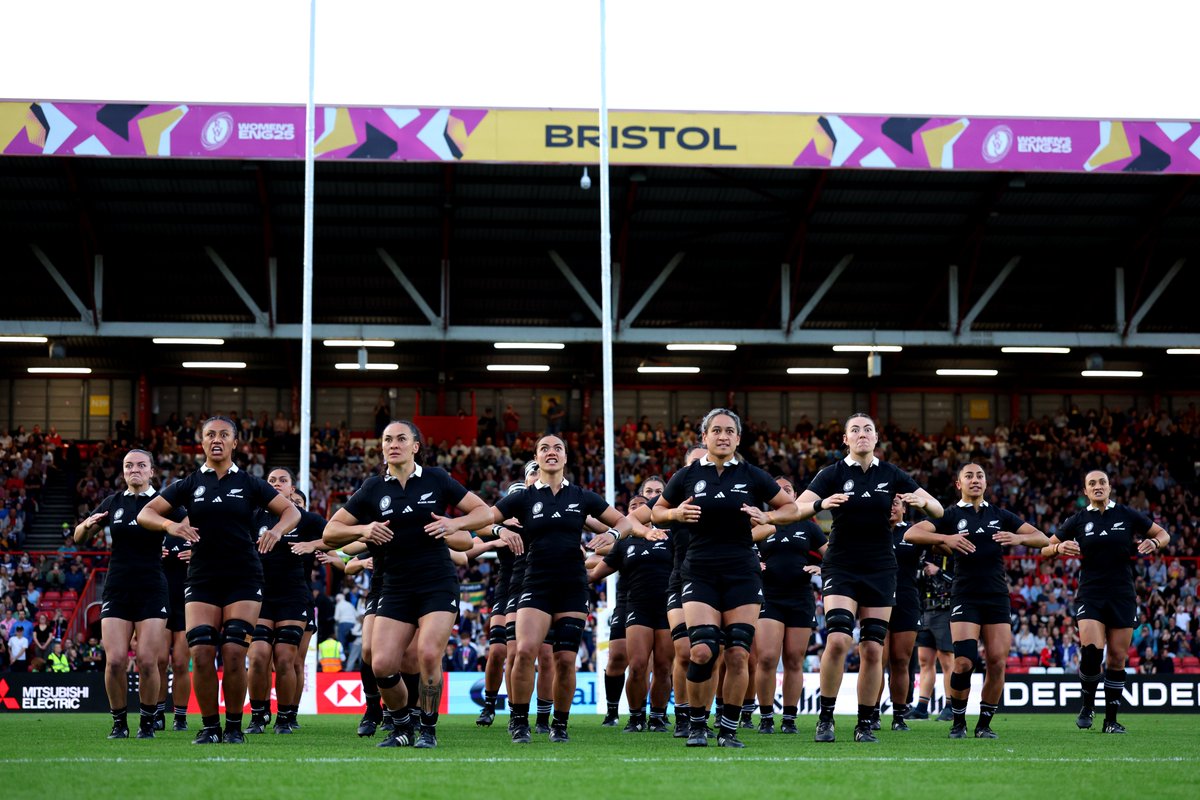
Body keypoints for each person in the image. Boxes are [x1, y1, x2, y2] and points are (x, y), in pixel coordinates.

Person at [324, 420, 493, 749]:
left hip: (437, 582)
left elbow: (485, 513)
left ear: (416, 446)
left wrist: (453, 523)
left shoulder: (437, 479)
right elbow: (330, 533)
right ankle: (402, 725)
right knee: (382, 663)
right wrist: (363, 530)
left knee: (428, 654)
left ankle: (427, 728)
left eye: (401, 438)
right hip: (395, 585)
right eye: (387, 439)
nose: (393, 444)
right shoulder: (373, 488)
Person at [139, 416, 301, 745]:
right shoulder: (189, 484)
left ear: (234, 443)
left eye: (224, 435)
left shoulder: (250, 483)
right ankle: (210, 726)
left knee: (232, 652)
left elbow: (292, 512)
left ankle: (234, 726)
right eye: (210, 434)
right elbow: (146, 514)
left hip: (244, 575)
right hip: (202, 577)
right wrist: (172, 527)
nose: (217, 439)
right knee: (200, 652)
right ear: (201, 442)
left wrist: (276, 530)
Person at [651, 408, 802, 748]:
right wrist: (674, 513)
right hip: (699, 571)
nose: (722, 436)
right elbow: (655, 513)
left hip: (742, 573)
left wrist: (769, 516)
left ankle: (729, 730)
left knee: (737, 654)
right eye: (715, 430)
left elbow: (792, 509)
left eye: (729, 431)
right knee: (702, 651)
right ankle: (697, 724)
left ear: (738, 438)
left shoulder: (752, 475)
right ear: (704, 437)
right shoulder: (687, 475)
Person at [798, 412, 943, 744]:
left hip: (880, 567)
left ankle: (865, 723)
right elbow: (797, 508)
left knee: (873, 649)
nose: (862, 434)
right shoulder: (831, 473)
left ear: (876, 439)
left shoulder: (892, 474)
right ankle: (826, 718)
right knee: (837, 640)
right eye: (855, 430)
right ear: (845, 440)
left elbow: (937, 509)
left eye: (868, 429)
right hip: (841, 565)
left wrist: (923, 503)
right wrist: (821, 502)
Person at [490, 434, 632, 744]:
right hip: (535, 583)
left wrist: (612, 535)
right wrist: (498, 528)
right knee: (526, 651)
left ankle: (560, 724)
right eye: (544, 448)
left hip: (572, 585)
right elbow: (484, 518)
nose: (551, 453)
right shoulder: (523, 498)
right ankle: (519, 722)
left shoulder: (582, 496)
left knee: (566, 659)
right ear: (536, 457)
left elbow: (625, 523)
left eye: (557, 448)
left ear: (565, 458)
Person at [904, 462, 1048, 739]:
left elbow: (1041, 538)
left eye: (980, 475)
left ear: (986, 482)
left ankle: (984, 724)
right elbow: (912, 533)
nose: (975, 480)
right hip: (965, 596)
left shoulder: (999, 514)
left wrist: (1016, 537)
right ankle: (958, 722)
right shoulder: (950, 514)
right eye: (968, 476)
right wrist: (947, 537)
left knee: (997, 661)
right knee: (964, 662)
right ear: (959, 484)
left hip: (996, 596)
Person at [1044, 469, 1169, 734]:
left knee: (1116, 659)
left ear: (1110, 487)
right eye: (1092, 484)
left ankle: (1111, 720)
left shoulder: (1126, 514)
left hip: (1122, 593)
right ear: (1085, 491)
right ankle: (1087, 705)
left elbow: (1164, 534)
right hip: (1090, 593)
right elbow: (1044, 548)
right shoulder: (1078, 520)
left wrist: (1154, 543)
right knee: (1091, 651)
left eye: (1102, 482)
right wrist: (1057, 548)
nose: (1098, 486)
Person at [74, 449, 183, 739]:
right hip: (117, 588)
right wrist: (87, 525)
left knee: (148, 660)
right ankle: (119, 722)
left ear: (151, 471)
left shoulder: (163, 504)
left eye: (141, 465)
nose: (135, 469)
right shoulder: (113, 503)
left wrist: (189, 548)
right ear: (123, 471)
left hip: (152, 589)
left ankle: (147, 722)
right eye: (129, 465)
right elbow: (78, 537)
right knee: (116, 660)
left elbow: (194, 530)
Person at [246, 467, 328, 734]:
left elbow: (337, 538)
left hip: (294, 595)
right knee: (258, 657)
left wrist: (313, 545)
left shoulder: (308, 520)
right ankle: (258, 716)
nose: (277, 484)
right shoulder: (252, 516)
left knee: (285, 658)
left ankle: (285, 717)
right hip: (259, 595)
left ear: (292, 489)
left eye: (283, 480)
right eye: (271, 480)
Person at [589, 489, 673, 732]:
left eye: (642, 505)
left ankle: (657, 716)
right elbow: (599, 571)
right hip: (636, 607)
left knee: (663, 667)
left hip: (666, 607)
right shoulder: (624, 542)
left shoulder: (671, 536)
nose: (637, 510)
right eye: (632, 506)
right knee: (636, 664)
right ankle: (636, 717)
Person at [751, 476, 827, 735]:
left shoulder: (808, 526)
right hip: (769, 597)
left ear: (794, 496)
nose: (782, 492)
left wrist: (821, 568)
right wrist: (752, 564)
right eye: (778, 490)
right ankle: (766, 717)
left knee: (794, 660)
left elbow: (834, 556)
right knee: (768, 658)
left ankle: (790, 719)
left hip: (800, 599)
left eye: (787, 489)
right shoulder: (759, 522)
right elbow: (739, 550)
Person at [664, 446, 706, 737]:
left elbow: (765, 526)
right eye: (694, 462)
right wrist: (624, 535)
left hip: (717, 581)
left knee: (710, 652)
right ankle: (682, 715)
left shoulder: (726, 498)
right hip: (681, 581)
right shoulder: (672, 499)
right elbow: (634, 518)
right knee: (684, 651)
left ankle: (702, 717)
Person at [879, 494, 922, 731]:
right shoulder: (872, 530)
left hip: (906, 601)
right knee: (877, 658)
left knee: (901, 661)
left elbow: (943, 545)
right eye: (887, 504)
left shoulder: (914, 533)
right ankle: (872, 713)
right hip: (876, 599)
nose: (891, 508)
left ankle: (898, 716)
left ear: (904, 508)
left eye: (896, 503)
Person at [906, 552, 956, 722]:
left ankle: (951, 706)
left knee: (946, 659)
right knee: (925, 661)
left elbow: (959, 581)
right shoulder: (923, 555)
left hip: (945, 610)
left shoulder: (952, 555)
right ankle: (922, 707)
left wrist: (939, 571)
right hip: (926, 611)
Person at [159, 528, 193, 731]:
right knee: (159, 661)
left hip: (187, 602)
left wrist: (199, 553)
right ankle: (158, 714)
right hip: (160, 599)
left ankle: (180, 717)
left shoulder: (198, 529)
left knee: (180, 664)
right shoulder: (156, 526)